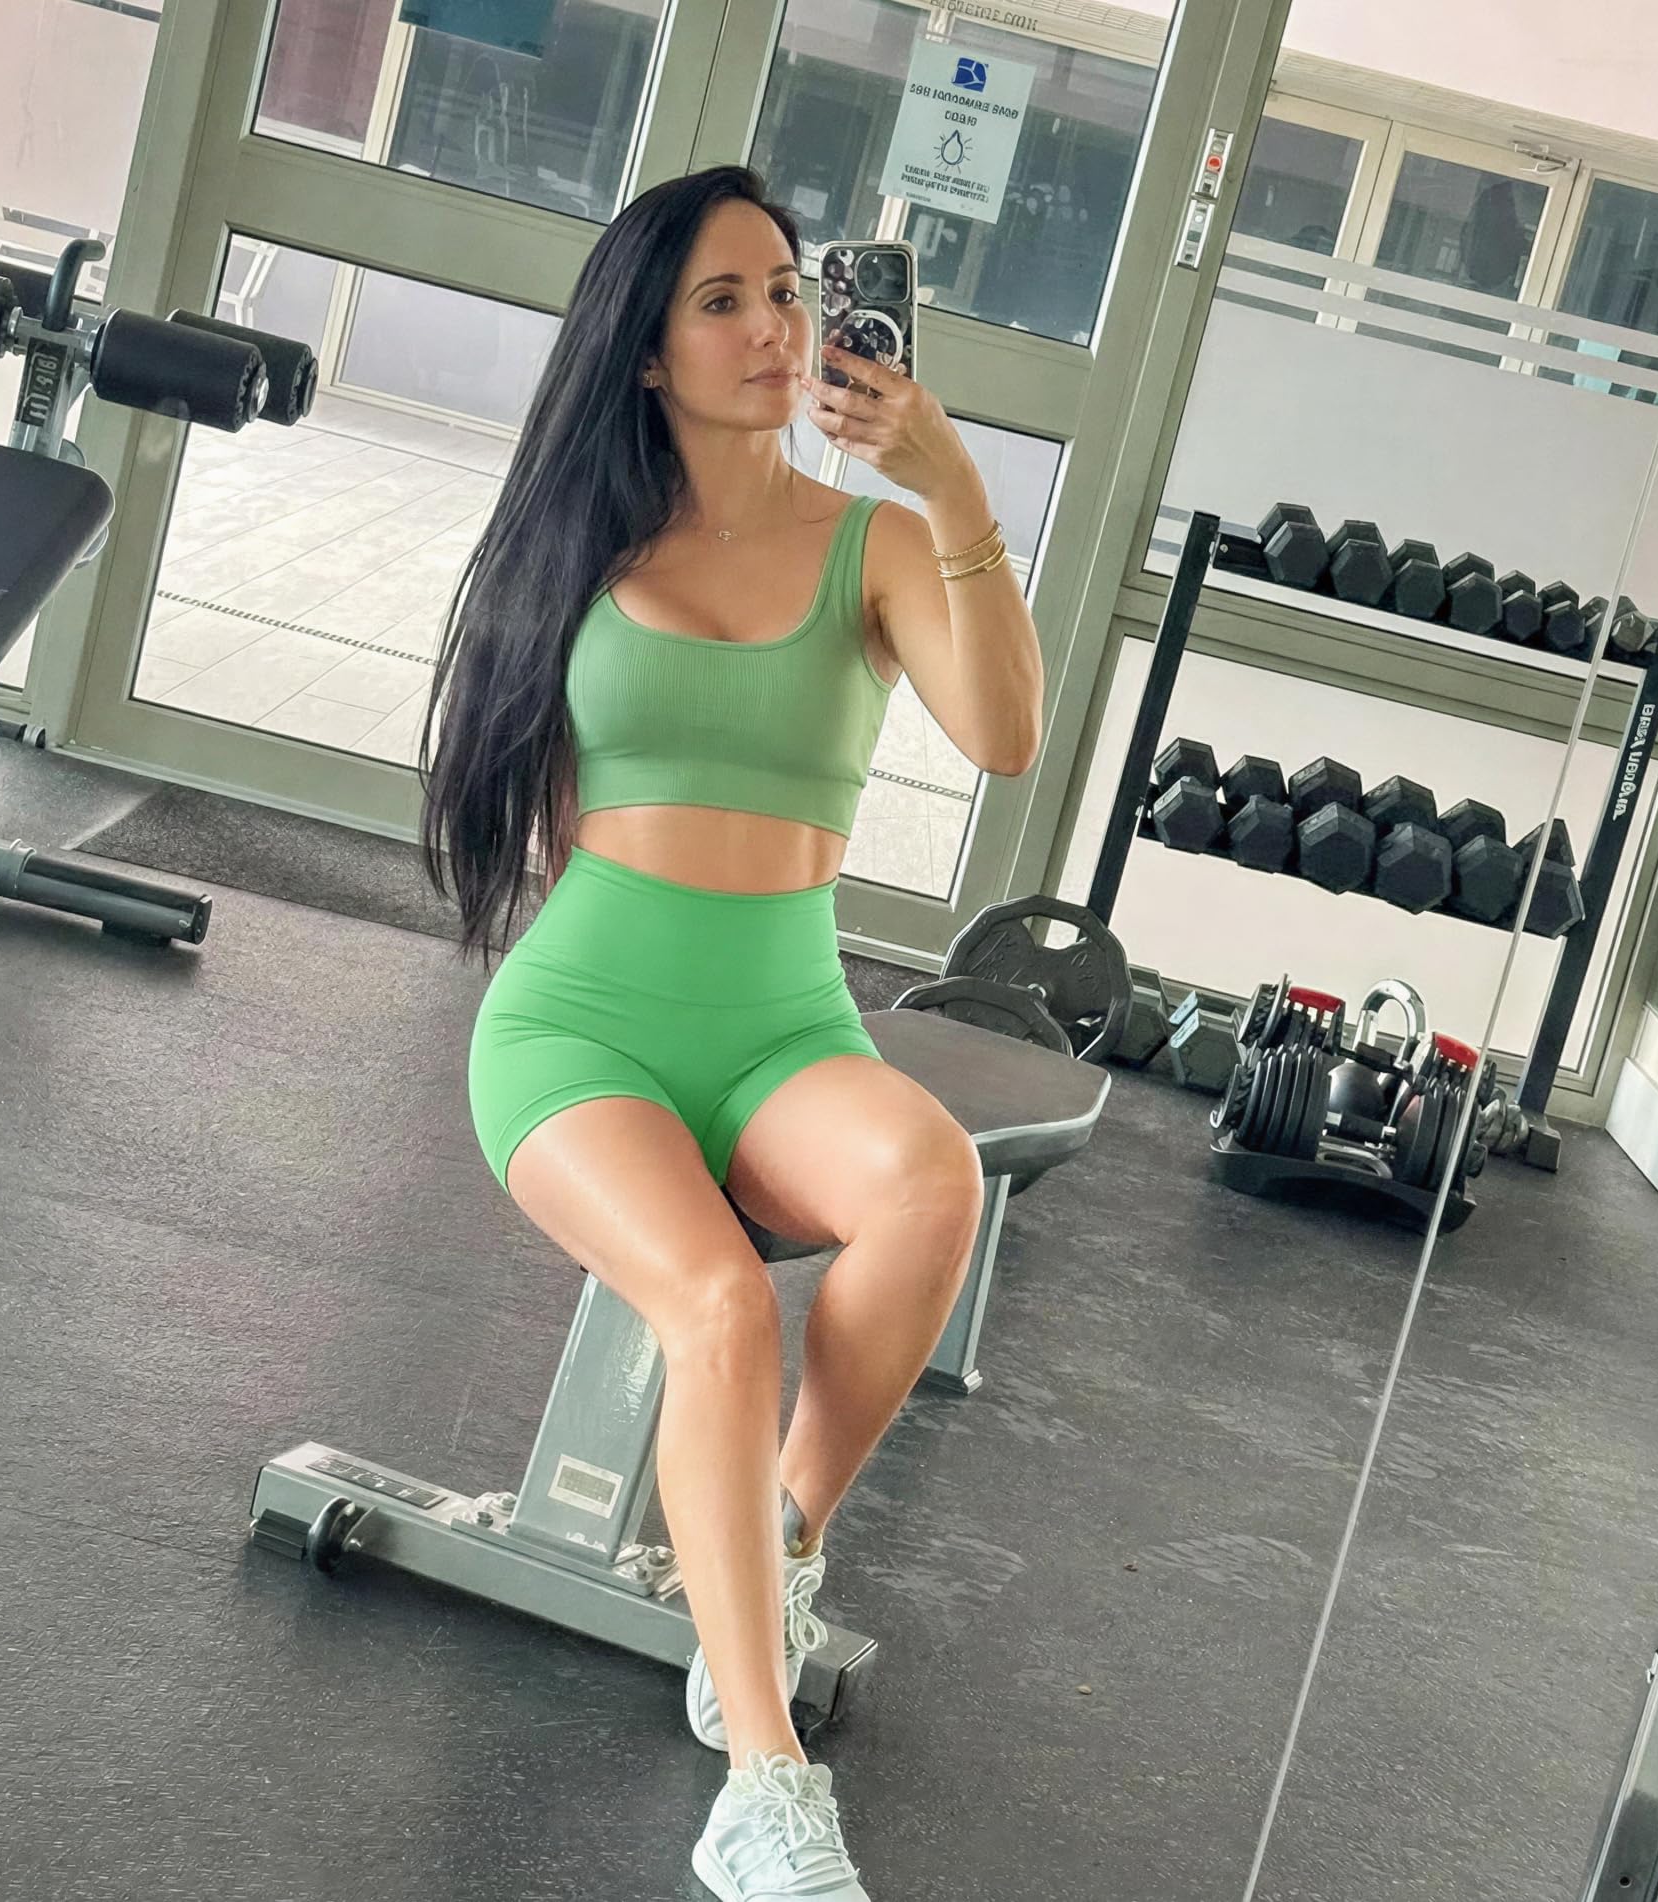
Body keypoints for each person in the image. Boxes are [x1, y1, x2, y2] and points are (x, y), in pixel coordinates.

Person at [418, 163, 1044, 1899]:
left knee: (929, 1181)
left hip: (782, 1019)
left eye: (785, 289)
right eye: (723, 300)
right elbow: (525, 786)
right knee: (710, 1301)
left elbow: (1003, 735)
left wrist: (946, 477)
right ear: (646, 349)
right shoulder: (574, 545)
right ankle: (763, 1783)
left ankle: (774, 1539)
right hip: (581, 1027)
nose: (774, 327)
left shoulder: (876, 544)